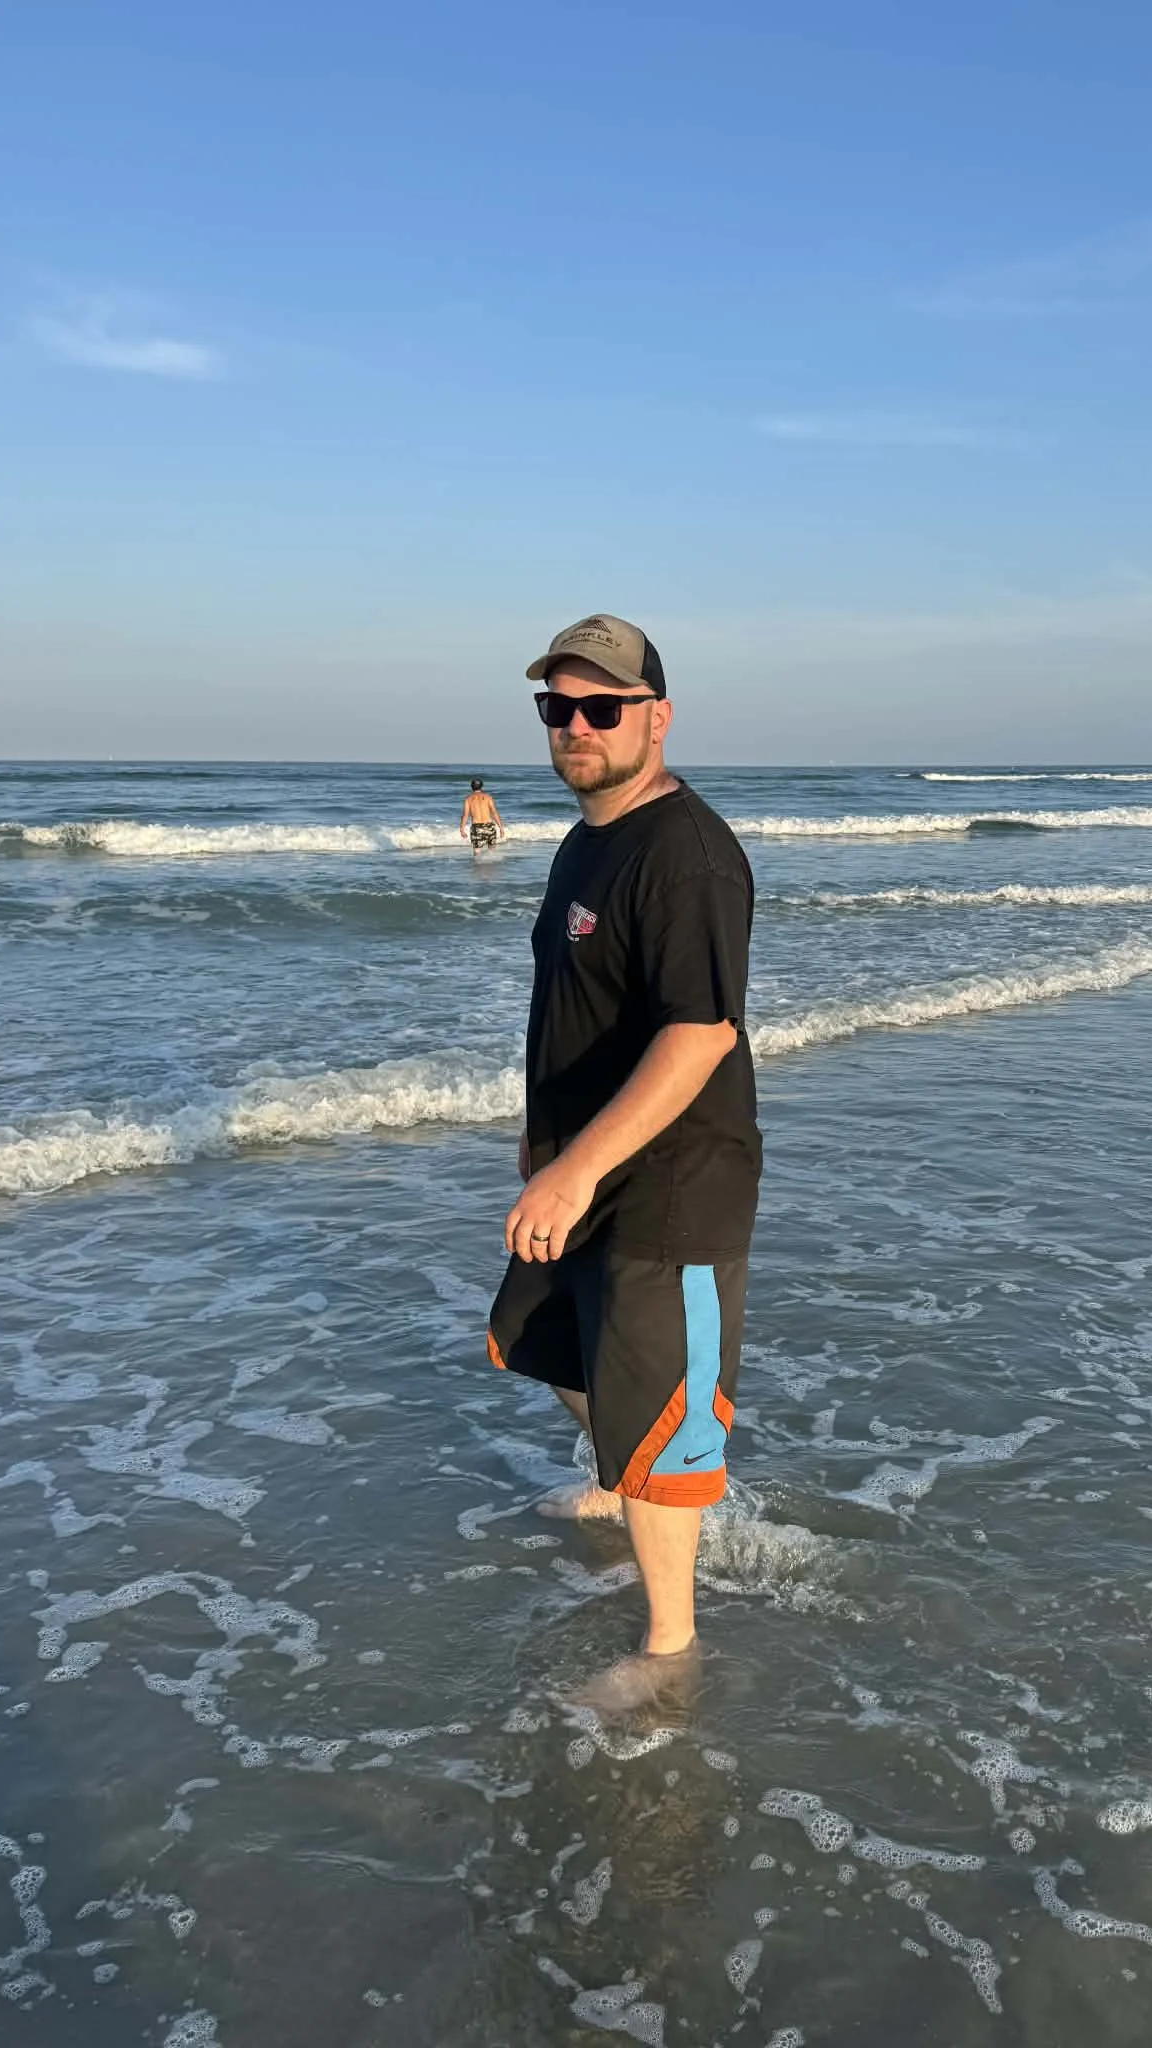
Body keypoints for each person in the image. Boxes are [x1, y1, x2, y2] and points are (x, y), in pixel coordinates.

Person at [485, 613, 761, 1710]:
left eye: (603, 706)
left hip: (670, 1180)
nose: (578, 726)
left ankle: (670, 1647)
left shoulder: (686, 854)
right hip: (585, 1159)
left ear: (658, 714)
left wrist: (577, 1167)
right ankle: (621, 1485)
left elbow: (699, 1034)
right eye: (559, 706)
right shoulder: (587, 837)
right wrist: (544, 1141)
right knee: (541, 1339)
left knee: (658, 1411)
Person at [460, 777, 503, 852]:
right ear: (482, 786)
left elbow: (465, 815)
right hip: (489, 825)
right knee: (492, 850)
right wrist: (501, 828)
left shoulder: (468, 799)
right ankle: (491, 862)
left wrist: (462, 829)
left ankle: (477, 863)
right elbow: (494, 813)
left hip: (477, 827)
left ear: (471, 787)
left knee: (477, 851)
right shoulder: (488, 797)